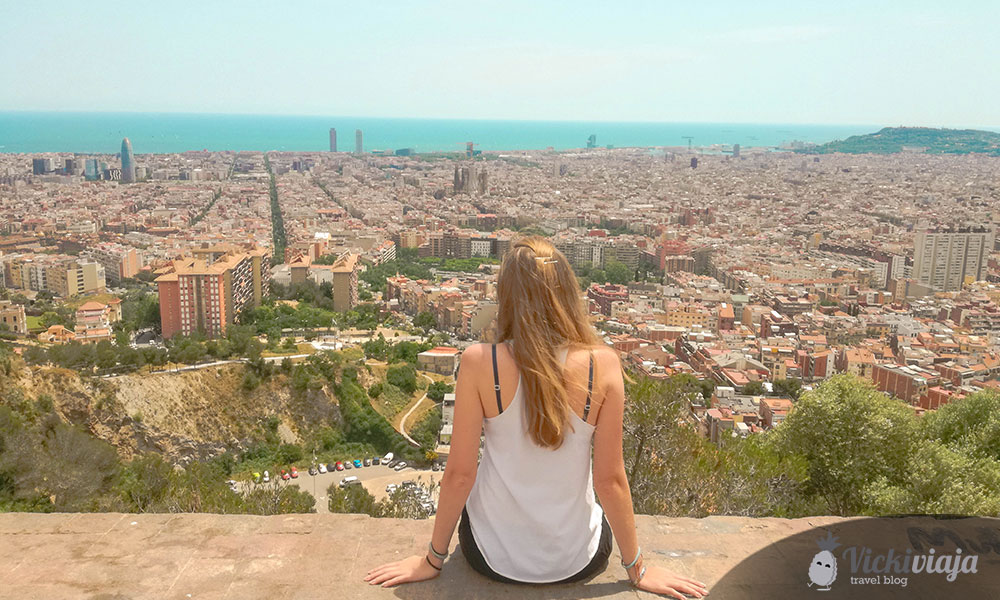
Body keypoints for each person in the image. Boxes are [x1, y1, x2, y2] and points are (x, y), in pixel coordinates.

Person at [364, 237, 709, 599]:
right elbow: (610, 480)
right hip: (580, 559)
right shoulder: (602, 364)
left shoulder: (480, 362)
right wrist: (637, 570)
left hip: (490, 555)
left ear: (507, 296)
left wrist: (433, 561)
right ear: (566, 294)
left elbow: (460, 473)